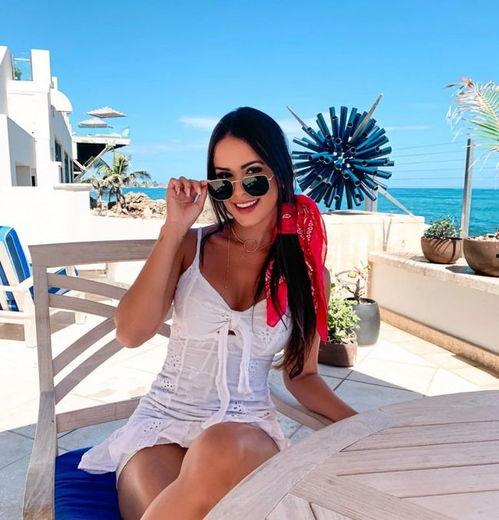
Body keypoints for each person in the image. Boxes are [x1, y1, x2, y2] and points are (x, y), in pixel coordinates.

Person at [77, 106, 358, 520]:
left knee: (219, 447)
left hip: (246, 431)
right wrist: (173, 229)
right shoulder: (190, 247)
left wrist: (365, 424)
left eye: (254, 175)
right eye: (224, 180)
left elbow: (303, 375)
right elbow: (131, 333)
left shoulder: (306, 271)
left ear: (281, 174)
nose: (240, 193)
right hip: (165, 422)